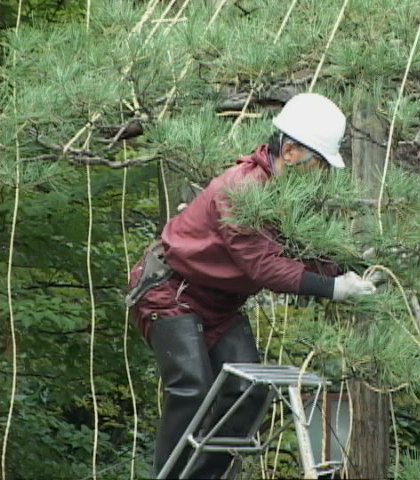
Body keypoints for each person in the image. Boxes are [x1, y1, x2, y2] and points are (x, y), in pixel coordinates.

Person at [126, 93, 377, 479]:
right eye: (320, 164)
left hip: (220, 306)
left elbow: (301, 254)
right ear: (290, 151)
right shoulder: (242, 189)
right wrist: (333, 289)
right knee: (192, 391)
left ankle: (204, 476)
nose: (322, 175)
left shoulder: (284, 196)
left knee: (249, 391)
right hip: (171, 292)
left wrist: (347, 268)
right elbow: (264, 268)